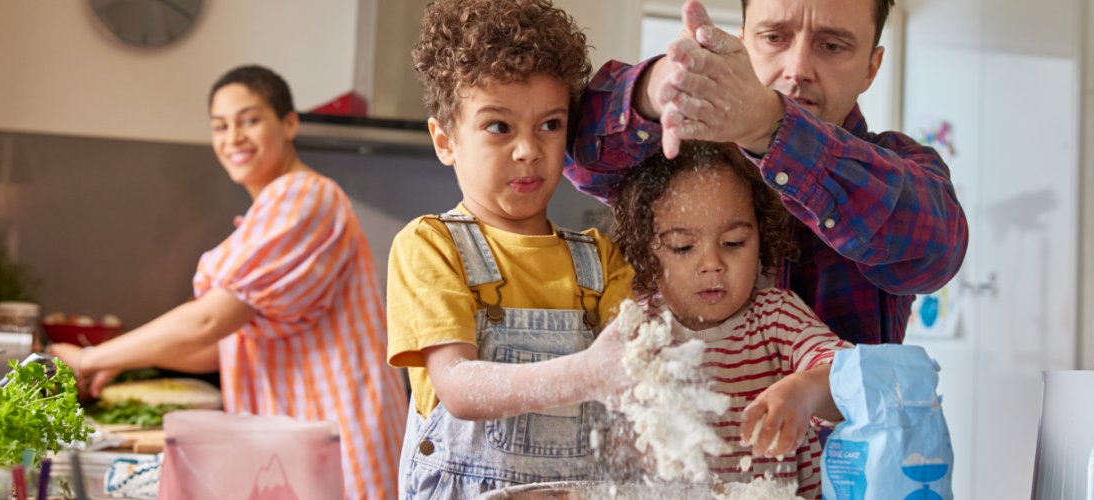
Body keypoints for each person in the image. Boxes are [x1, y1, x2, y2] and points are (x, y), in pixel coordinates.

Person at [48, 65, 407, 500]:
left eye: (249, 120)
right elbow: (218, 346)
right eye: (220, 126)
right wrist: (118, 362)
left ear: (289, 123)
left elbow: (209, 322)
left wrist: (89, 359)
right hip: (293, 446)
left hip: (338, 439)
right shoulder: (266, 217)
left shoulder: (305, 197)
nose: (232, 137)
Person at [567, 0, 968, 345]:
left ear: (871, 67)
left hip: (838, 436)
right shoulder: (684, 159)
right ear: (744, 43)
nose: (798, 69)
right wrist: (653, 91)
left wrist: (772, 126)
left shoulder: (898, 162)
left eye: (832, 45)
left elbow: (936, 251)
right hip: (680, 430)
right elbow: (576, 156)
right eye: (775, 38)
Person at [386, 1, 635, 498]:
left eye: (550, 125)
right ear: (445, 140)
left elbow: (634, 376)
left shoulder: (602, 259)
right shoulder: (432, 246)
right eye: (499, 127)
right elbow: (457, 387)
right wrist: (588, 373)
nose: (529, 149)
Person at [610, 141, 850, 497]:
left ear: (761, 238)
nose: (712, 263)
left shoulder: (777, 317)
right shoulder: (638, 332)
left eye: (734, 242)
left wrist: (806, 391)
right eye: (683, 246)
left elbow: (848, 375)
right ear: (647, 252)